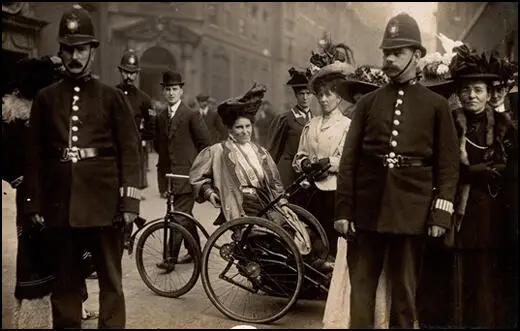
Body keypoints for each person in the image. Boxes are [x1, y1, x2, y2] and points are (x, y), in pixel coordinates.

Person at [334, 13, 460, 328]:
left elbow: (447, 165)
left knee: (404, 296)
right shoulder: (368, 103)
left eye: (397, 52)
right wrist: (344, 210)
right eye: (386, 52)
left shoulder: (436, 105)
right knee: (361, 294)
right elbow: (350, 160)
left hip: (411, 213)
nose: (389, 59)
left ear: (417, 55)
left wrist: (440, 213)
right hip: (366, 212)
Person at [23, 5, 141, 328]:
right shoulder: (46, 99)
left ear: (92, 52)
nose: (75, 56)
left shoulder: (112, 98)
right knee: (65, 284)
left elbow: (130, 151)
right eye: (69, 49)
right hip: (61, 206)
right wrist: (33, 201)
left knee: (111, 285)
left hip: (105, 207)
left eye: (82, 49)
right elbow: (33, 154)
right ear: (60, 51)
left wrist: (129, 201)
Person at [189, 83, 327, 265]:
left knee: (302, 228)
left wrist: (283, 202)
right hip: (243, 207)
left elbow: (275, 181)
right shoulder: (218, 152)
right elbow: (197, 176)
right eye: (239, 128)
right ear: (230, 130)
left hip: (267, 202)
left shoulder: (259, 151)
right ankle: (303, 264)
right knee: (285, 233)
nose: (245, 132)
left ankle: (307, 266)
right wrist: (209, 193)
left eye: (248, 127)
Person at [448, 45, 517, 328]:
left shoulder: (504, 126)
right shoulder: (451, 123)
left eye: (478, 90)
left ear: (489, 94)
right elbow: (442, 166)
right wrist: (472, 172)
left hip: (492, 210)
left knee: (489, 276)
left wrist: (500, 170)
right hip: (459, 209)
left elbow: (513, 167)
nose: (471, 96)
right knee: (459, 273)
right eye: (466, 90)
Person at [293, 60, 353, 260]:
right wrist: (304, 163)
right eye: (320, 95)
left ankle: (331, 280)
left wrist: (331, 163)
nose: (324, 99)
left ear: (339, 97)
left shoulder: (346, 125)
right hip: (310, 190)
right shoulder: (311, 125)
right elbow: (299, 154)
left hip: (333, 192)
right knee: (309, 235)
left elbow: (349, 160)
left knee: (332, 237)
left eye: (329, 94)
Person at [153, 70, 212, 266]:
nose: (171, 93)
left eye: (174, 89)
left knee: (178, 216)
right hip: (170, 177)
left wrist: (200, 171)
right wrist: (162, 181)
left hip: (188, 176)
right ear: (163, 92)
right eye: (167, 89)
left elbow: (206, 144)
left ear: (181, 91)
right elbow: (160, 149)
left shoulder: (191, 115)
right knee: (185, 215)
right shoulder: (161, 117)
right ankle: (196, 252)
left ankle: (170, 258)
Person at [115, 49, 154, 248]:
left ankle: (127, 236)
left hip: (133, 154)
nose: (129, 76)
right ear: (120, 71)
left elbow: (152, 126)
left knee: (131, 193)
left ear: (137, 74)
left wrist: (139, 139)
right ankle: (115, 232)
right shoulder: (111, 94)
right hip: (112, 153)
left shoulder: (144, 99)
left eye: (133, 73)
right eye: (125, 72)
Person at [268, 67, 314, 197]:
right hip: (288, 171)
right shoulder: (286, 118)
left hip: (305, 171)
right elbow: (274, 148)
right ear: (296, 95)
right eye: (301, 94)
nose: (305, 98)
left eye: (308, 93)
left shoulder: (315, 119)